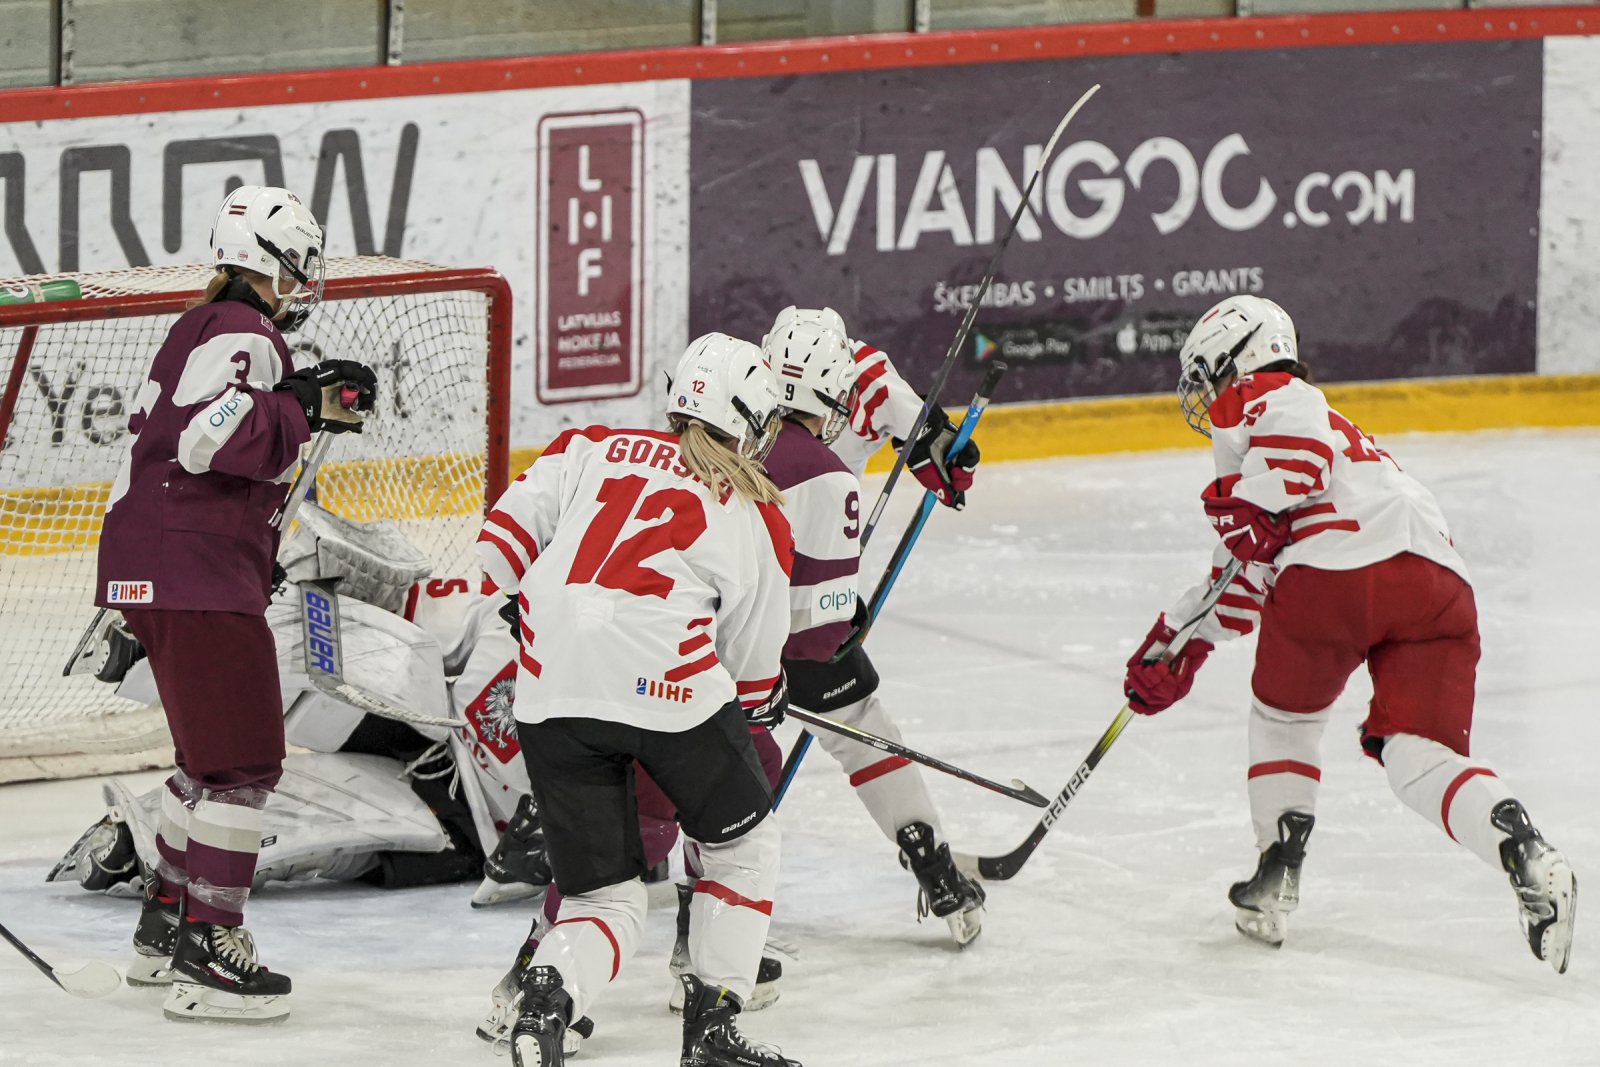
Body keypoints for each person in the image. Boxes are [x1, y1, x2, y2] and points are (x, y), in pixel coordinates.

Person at [1122, 294, 1577, 969]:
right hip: (1437, 588)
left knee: (1283, 720)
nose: (1205, 393)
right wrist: (1180, 640)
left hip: (1332, 578)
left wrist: (1255, 509)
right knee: (1418, 754)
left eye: (1207, 373)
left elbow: (1294, 471)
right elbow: (1244, 572)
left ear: (1239, 357)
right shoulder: (1345, 442)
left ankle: (1276, 874)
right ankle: (1525, 851)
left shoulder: (1268, 395)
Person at [94, 185, 377, 1022]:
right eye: (298, 265)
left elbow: (188, 437)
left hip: (157, 564)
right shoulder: (246, 331)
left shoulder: (199, 325)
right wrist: (301, 407)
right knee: (245, 765)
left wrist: (296, 406)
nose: (304, 280)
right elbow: (205, 439)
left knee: (206, 764)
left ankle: (166, 923)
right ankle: (209, 949)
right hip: (194, 570)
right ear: (267, 262)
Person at [478, 333, 800, 1067]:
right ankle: (711, 1032)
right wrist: (758, 695)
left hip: (551, 691)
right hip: (670, 694)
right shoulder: (755, 512)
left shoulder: (589, 446)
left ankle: (543, 1007)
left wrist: (543, 617)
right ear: (752, 423)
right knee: (742, 850)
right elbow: (751, 681)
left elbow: (497, 550)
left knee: (603, 897)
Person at [757, 306, 986, 946]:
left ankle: (658, 860)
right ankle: (930, 856)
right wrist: (942, 456)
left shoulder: (746, 382)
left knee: (706, 735)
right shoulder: (864, 376)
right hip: (815, 593)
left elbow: (931, 442)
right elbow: (928, 443)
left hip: (741, 599)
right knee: (861, 729)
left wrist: (945, 452)